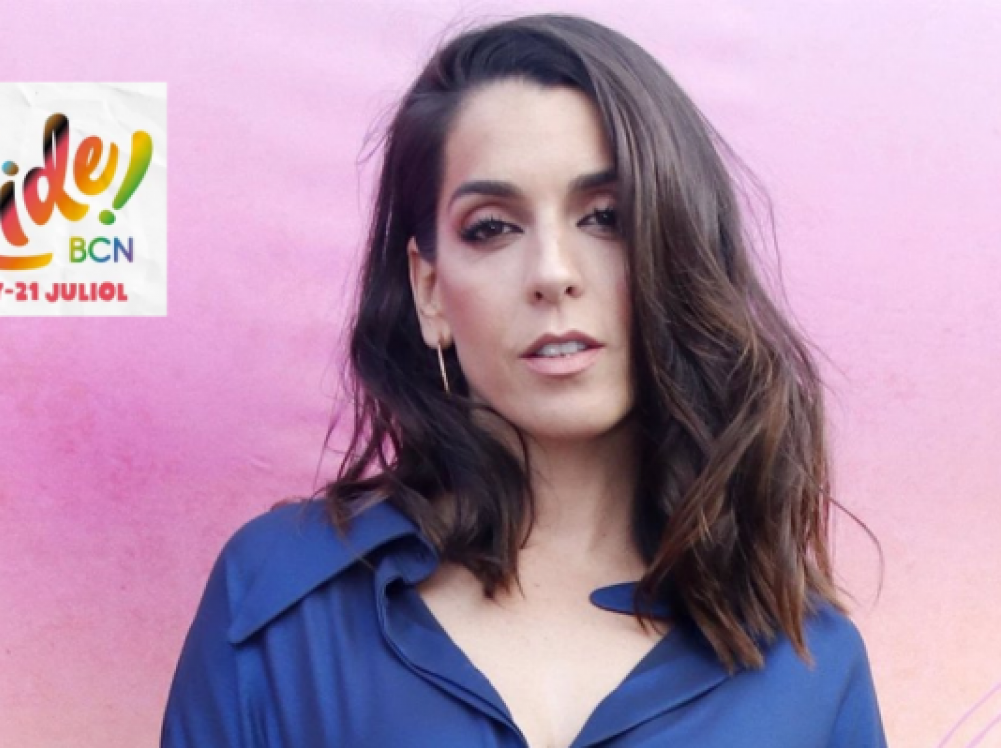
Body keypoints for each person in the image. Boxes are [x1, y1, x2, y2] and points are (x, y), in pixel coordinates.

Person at [162, 12, 889, 748]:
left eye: (606, 217)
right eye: (493, 227)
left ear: (680, 249)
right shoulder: (276, 604)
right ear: (429, 291)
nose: (553, 272)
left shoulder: (809, 663)